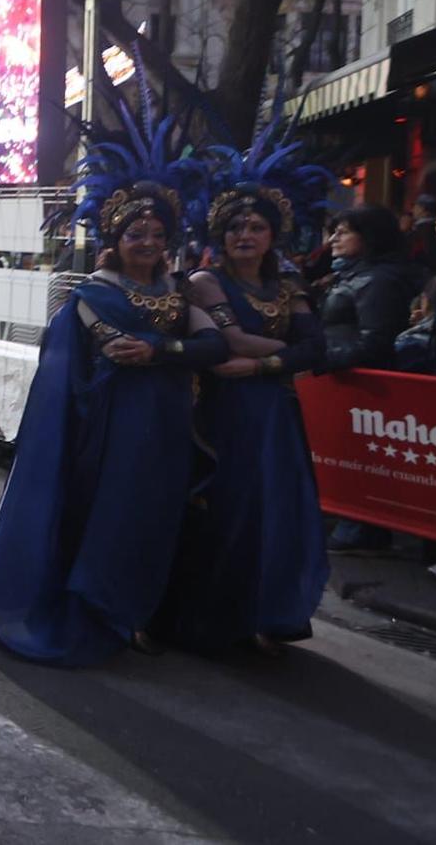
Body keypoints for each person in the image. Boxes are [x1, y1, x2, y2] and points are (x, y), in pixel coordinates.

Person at [0, 102, 229, 667]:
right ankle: (105, 611)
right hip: (110, 432)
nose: (147, 241)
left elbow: (216, 346)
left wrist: (162, 349)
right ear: (116, 236)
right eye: (136, 232)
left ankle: (142, 612)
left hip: (169, 427)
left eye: (157, 233)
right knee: (114, 519)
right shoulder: (93, 294)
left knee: (160, 518)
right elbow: (79, 363)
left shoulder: (178, 292)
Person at [170, 127, 332, 655]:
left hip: (275, 414)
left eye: (256, 226)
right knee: (230, 512)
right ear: (219, 233)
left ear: (273, 234)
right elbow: (230, 339)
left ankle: (272, 612)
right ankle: (220, 622)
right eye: (235, 226)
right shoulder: (205, 281)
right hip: (225, 416)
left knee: (279, 511)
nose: (246, 234)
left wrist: (267, 363)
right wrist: (285, 351)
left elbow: (316, 349)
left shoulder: (289, 286)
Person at [316, 206, 423, 553]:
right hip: (341, 382)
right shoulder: (354, 274)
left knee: (362, 458)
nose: (334, 240)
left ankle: (361, 530)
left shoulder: (379, 280)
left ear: (368, 237)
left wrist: (316, 362)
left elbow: (375, 340)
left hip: (363, 387)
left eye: (343, 232)